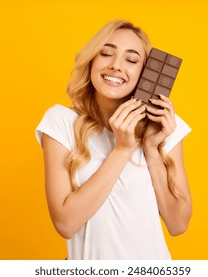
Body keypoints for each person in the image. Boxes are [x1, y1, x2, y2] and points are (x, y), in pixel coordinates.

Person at [35, 20, 192, 260]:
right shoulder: (61, 121)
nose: (116, 66)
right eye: (106, 54)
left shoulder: (164, 125)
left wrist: (150, 148)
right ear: (91, 62)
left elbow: (178, 224)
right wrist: (122, 149)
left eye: (131, 60)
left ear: (144, 74)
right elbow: (65, 224)